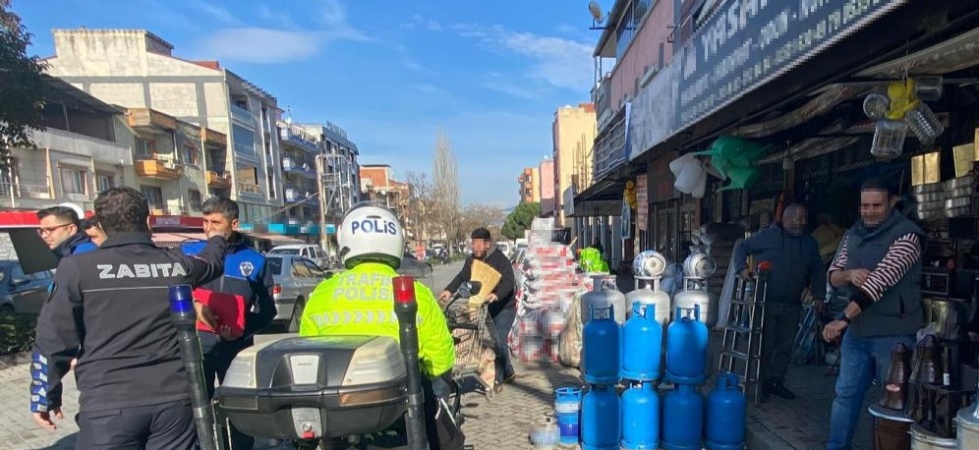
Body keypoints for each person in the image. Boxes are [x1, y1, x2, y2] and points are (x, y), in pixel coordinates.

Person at [30, 186, 228, 449]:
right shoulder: (175, 265)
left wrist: (44, 396)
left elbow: (52, 338)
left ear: (100, 225)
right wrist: (217, 237)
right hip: (174, 402)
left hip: (108, 404)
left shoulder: (77, 269)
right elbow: (212, 262)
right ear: (147, 221)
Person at [300, 202, 461, 449]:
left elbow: (307, 358)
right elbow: (441, 361)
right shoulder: (415, 292)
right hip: (401, 419)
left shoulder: (322, 294)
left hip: (339, 420)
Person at [823, 178, 923, 450]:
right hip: (858, 332)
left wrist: (843, 319)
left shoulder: (907, 236)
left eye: (876, 205)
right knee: (845, 396)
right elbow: (833, 275)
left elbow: (878, 284)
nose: (868, 211)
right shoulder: (853, 233)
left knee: (894, 403)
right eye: (864, 206)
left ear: (892, 202)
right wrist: (849, 274)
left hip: (894, 337)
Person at [180, 197, 276, 450]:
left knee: (239, 408)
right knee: (194, 406)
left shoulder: (255, 260)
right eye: (205, 221)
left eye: (215, 222)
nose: (208, 227)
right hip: (197, 346)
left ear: (233, 224)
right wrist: (193, 305)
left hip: (237, 348)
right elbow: (170, 294)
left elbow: (268, 310)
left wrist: (242, 329)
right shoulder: (188, 253)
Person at [732, 203, 826, 400]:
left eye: (803, 219)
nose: (801, 223)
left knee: (785, 346)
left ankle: (777, 381)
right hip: (765, 301)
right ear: (785, 219)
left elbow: (818, 270)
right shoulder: (768, 236)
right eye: (797, 219)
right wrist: (741, 269)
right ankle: (762, 382)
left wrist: (819, 296)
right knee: (765, 345)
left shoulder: (809, 243)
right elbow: (741, 246)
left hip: (792, 304)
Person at [441, 228, 517, 392]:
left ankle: (498, 379)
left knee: (499, 342)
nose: (474, 247)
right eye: (472, 243)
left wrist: (496, 295)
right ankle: (509, 371)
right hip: (487, 309)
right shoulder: (471, 261)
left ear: (487, 244)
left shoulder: (499, 259)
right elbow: (462, 277)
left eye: (477, 243)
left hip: (505, 308)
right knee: (497, 343)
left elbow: (509, 282)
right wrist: (449, 290)